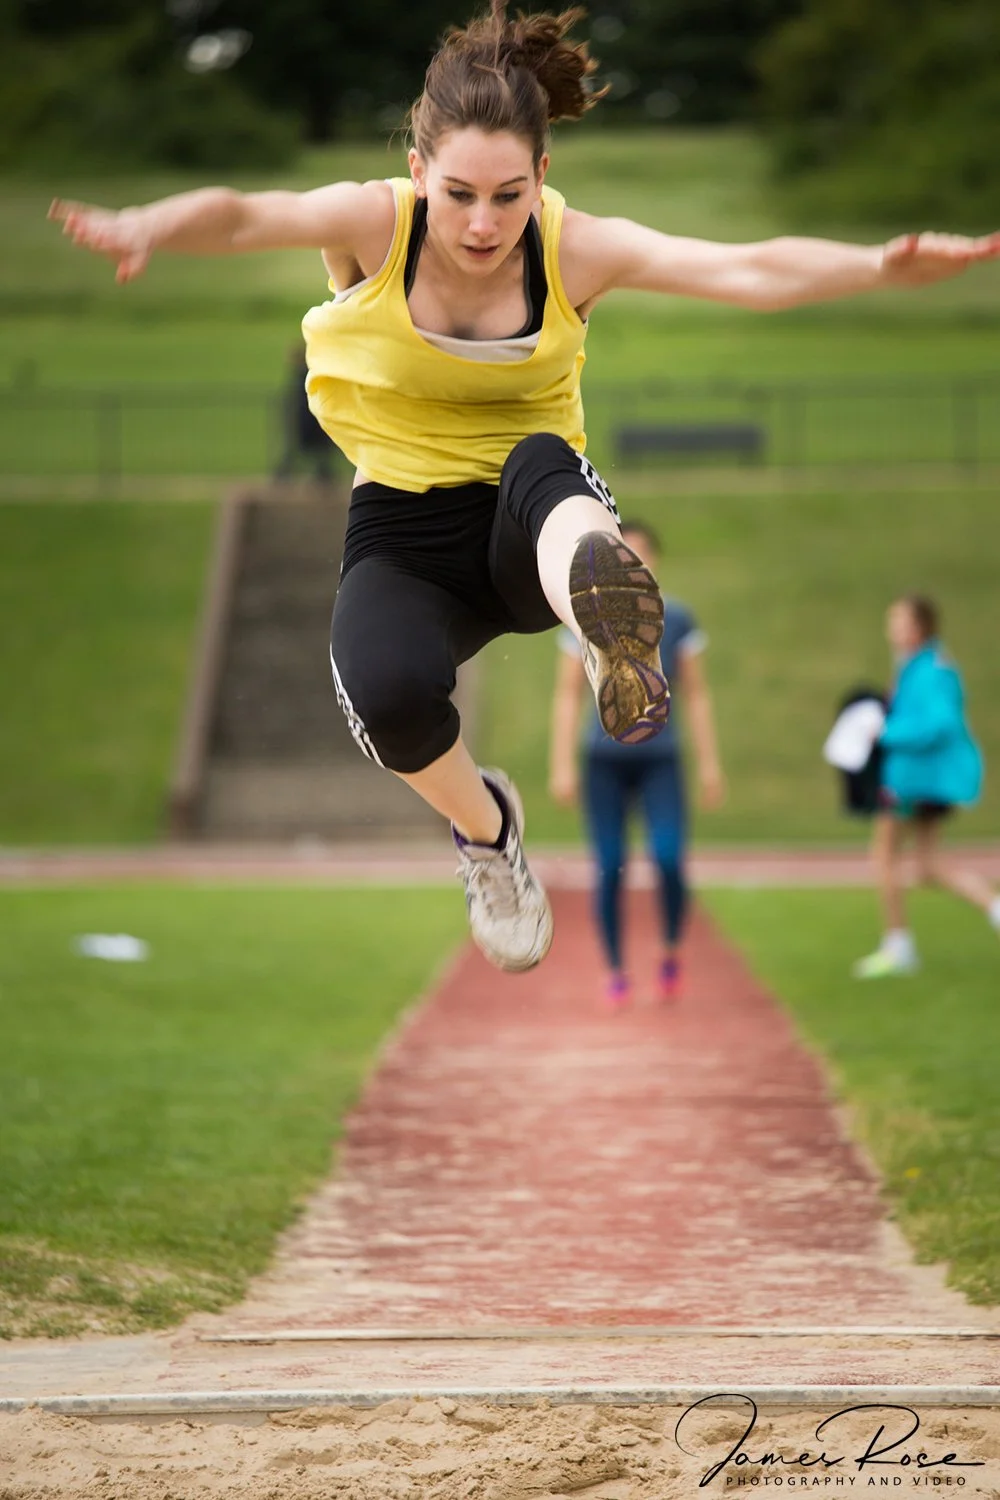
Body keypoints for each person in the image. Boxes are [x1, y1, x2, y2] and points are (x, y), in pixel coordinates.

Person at [49, 4, 1000, 976]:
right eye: (458, 193)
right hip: (402, 529)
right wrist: (146, 223)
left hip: (531, 515)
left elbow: (742, 269)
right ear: (417, 173)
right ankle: (489, 831)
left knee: (540, 463)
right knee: (383, 699)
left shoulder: (571, 247)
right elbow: (247, 213)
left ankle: (607, 633)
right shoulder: (371, 225)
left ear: (542, 176)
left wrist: (878, 265)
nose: (482, 224)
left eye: (509, 196)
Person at [549, 521, 723, 1006]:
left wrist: (710, 764)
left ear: (655, 561)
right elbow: (566, 695)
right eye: (627, 552)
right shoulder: (588, 618)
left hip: (661, 759)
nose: (636, 560)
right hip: (603, 761)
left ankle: (670, 949)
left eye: (643, 552)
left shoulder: (679, 618)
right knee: (609, 865)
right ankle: (616, 969)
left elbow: (698, 694)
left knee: (667, 858)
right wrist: (561, 764)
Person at [853, 594, 1000, 978]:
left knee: (884, 854)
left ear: (919, 627)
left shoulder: (933, 668)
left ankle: (898, 944)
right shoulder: (916, 665)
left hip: (916, 780)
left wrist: (886, 731)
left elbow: (940, 723)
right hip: (917, 778)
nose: (892, 630)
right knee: (928, 863)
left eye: (899, 622)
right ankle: (994, 908)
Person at [274, 345, 335, 482]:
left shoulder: (305, 376)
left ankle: (321, 474)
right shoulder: (309, 374)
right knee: (317, 452)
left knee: (312, 451)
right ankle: (322, 474)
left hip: (308, 419)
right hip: (311, 419)